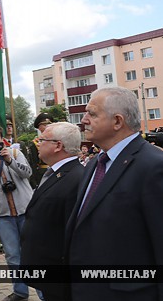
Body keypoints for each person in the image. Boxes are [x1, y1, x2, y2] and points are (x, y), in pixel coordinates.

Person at [65, 87, 163, 300]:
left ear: (117, 121)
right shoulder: (94, 165)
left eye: (92, 113)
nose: (84, 120)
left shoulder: (154, 166)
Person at [20, 122, 85, 301]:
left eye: (42, 140)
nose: (38, 144)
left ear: (58, 145)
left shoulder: (76, 178)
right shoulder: (57, 173)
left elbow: (73, 233)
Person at [0, 125, 33, 301]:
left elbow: (27, 173)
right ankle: (20, 291)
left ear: (3, 139)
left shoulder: (16, 153)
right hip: (3, 215)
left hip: (25, 211)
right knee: (13, 255)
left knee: (33, 253)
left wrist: (9, 160)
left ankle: (43, 292)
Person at [28, 113, 53, 188]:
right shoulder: (35, 143)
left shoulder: (56, 141)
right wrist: (34, 182)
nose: (47, 127)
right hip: (42, 175)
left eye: (49, 125)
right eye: (45, 125)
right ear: (39, 127)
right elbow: (33, 164)